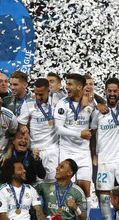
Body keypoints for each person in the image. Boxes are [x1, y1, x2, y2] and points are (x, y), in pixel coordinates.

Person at [54, 73, 93, 218]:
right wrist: (79, 134)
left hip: (83, 153)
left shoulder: (90, 104)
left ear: (79, 87)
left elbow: (93, 125)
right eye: (67, 84)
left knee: (85, 189)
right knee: (64, 189)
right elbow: (58, 129)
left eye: (70, 84)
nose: (67, 87)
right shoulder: (62, 104)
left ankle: (85, 218)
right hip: (67, 152)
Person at [18, 78, 58, 179]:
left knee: (52, 181)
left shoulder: (57, 101)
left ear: (48, 91)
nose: (38, 97)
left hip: (52, 149)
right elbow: (20, 123)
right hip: (35, 149)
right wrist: (22, 127)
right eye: (36, 94)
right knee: (37, 182)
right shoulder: (28, 103)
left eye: (41, 94)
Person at [90, 78, 119, 219]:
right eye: (110, 91)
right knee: (104, 197)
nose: (112, 94)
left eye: (115, 91)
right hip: (104, 160)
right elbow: (92, 135)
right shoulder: (98, 113)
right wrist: (94, 155)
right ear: (105, 92)